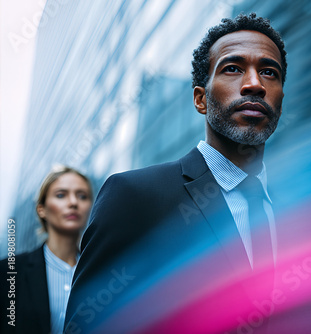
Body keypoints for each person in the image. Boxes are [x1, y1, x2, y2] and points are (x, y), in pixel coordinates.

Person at [64, 13, 287, 334]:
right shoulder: (134, 196)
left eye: (269, 72)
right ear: (200, 99)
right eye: (233, 68)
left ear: (280, 100)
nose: (254, 84)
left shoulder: (298, 205)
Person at [1, 166, 93, 334]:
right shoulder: (9, 271)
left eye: (82, 196)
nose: (73, 202)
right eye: (61, 195)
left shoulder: (100, 270)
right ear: (41, 209)